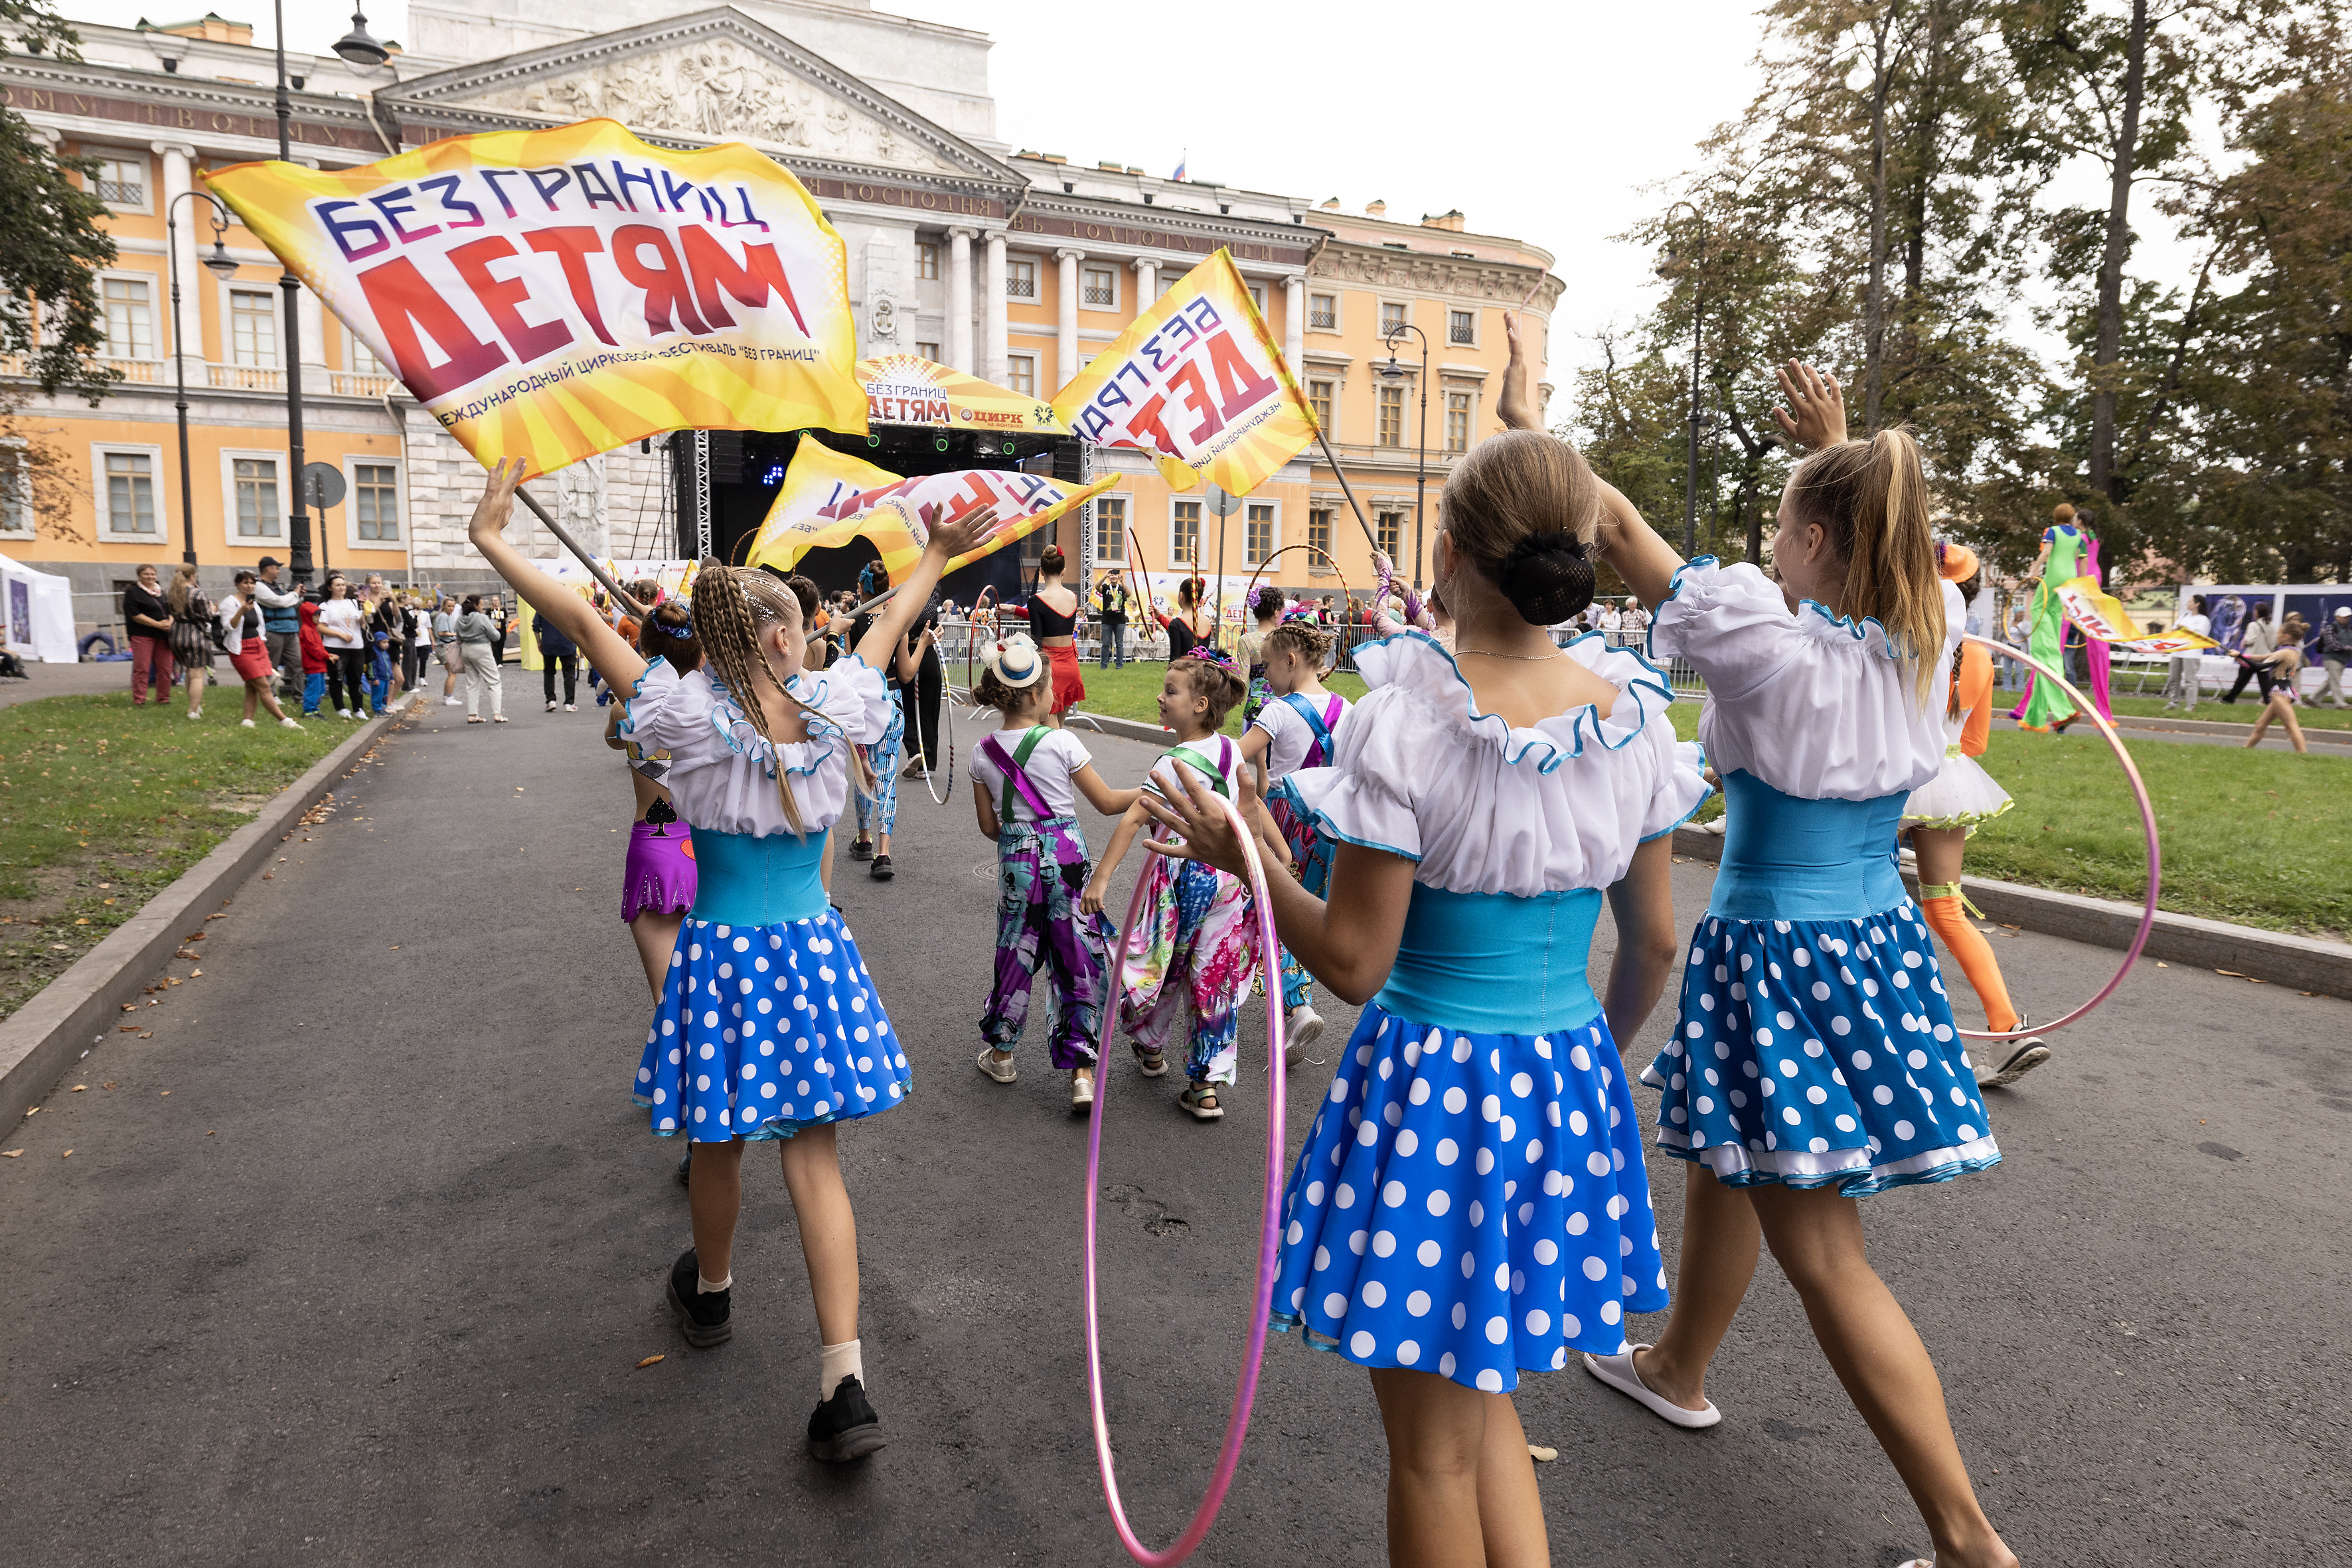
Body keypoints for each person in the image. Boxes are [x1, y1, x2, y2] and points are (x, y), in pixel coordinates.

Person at [1136, 427, 1697, 1565]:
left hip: (1435, 1088)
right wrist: (1587, 1053)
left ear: (1443, 553)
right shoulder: (1631, 709)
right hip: (1563, 1079)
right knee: (1482, 1401)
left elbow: (1351, 963)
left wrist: (1248, 853)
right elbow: (1653, 941)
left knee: (1432, 1450)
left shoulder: (1407, 720)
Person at [467, 458, 998, 1461]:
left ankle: (709, 1294)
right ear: (782, 635)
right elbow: (884, 637)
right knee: (815, 1156)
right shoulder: (836, 701)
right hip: (809, 951)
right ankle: (843, 1380)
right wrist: (932, 551)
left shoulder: (680, 716)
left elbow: (583, 625)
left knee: (718, 1140)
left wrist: (496, 541)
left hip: (718, 954)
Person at [1595, 362, 2018, 1568]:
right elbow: (1883, 552)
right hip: (1869, 942)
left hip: (1773, 949)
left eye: (1782, 526)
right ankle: (1676, 1362)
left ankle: (1967, 1541)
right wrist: (1836, 453)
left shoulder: (1771, 651)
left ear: (1817, 537)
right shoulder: (1915, 642)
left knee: (1823, 1249)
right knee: (1733, 1157)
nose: (1765, 546)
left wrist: (1532, 447)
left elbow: (1622, 530)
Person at [1083, 651, 1284, 1121]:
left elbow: (1135, 818)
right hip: (1230, 874)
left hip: (1184, 873)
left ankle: (1151, 1046)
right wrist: (1275, 853)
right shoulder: (1233, 749)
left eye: (1170, 691)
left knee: (1163, 962)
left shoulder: (1175, 760)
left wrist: (1103, 876)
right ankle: (1205, 1086)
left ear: (1198, 705)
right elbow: (1251, 807)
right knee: (1213, 973)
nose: (1159, 696)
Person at [968, 632, 1138, 1111]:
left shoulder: (983, 752)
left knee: (1015, 949)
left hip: (1016, 860)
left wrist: (1019, 832)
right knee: (1075, 952)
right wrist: (1151, 789)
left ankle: (1001, 1054)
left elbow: (987, 827)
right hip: (1066, 852)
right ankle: (1081, 1072)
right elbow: (1105, 803)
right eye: (1050, 692)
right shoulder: (1062, 740)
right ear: (1033, 696)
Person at [1902, 544, 2047, 1090]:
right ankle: (2007, 1026)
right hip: (1948, 783)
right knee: (1945, 909)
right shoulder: (1980, 653)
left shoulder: (1903, 639)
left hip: (1894, 782)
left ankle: (1892, 1032)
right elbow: (1977, 741)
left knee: (1865, 900)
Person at [1237, 611, 1349, 1061]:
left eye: (1266, 667)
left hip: (1286, 817)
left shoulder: (1278, 711)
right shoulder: (1348, 708)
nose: (1264, 676)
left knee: (1277, 908)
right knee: (1310, 909)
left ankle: (1295, 1005)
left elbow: (1234, 757)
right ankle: (1293, 1006)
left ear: (1289, 660)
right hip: (1330, 819)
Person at [2017, 503, 2085, 732]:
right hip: (2069, 579)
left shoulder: (2052, 531)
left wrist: (2033, 571)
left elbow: (2046, 553)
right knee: (2054, 615)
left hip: (2054, 577)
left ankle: (2064, 711)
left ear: (2056, 516)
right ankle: (2034, 719)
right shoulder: (2078, 534)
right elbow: (2079, 557)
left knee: (2038, 611)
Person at [220, 570, 302, 730]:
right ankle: (284, 720)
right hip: (241, 649)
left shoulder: (254, 603)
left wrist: (261, 643)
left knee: (252, 686)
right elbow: (229, 626)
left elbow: (260, 627)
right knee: (264, 686)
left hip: (258, 646)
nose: (249, 586)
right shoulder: (229, 603)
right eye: (245, 583)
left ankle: (247, 721)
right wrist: (241, 611)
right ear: (237, 584)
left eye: (252, 583)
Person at [1026, 545, 1086, 725]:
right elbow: (1056, 619)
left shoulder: (1036, 601)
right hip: (1071, 667)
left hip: (1052, 668)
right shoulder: (1073, 597)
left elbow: (1038, 640)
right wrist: (1017, 610)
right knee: (1058, 728)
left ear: (1042, 572)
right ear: (1064, 571)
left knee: (1051, 734)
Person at [164, 563, 214, 721]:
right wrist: (212, 609)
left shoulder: (169, 593)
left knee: (188, 672)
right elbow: (207, 616)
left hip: (176, 634)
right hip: (194, 635)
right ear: (192, 575)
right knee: (197, 675)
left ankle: (195, 704)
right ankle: (193, 711)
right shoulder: (197, 593)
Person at [123, 564, 176, 706]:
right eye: (146, 574)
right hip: (142, 635)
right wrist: (157, 624)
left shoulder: (162, 593)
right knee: (142, 668)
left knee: (166, 669)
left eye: (153, 574)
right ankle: (139, 699)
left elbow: (171, 611)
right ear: (139, 576)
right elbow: (135, 615)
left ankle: (163, 699)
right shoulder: (133, 592)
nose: (150, 577)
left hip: (163, 636)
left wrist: (169, 622)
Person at [317, 577, 368, 720]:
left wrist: (366, 612)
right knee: (337, 677)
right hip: (336, 646)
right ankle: (340, 707)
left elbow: (361, 622)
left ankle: (358, 708)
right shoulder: (325, 605)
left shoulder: (352, 603)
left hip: (356, 646)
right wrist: (340, 634)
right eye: (338, 585)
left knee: (356, 678)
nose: (341, 588)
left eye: (343, 585)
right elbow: (321, 627)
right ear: (330, 588)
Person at [252, 556, 302, 696]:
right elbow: (278, 602)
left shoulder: (276, 586)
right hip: (273, 631)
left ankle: (299, 695)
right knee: (271, 666)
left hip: (290, 630)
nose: (279, 571)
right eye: (277, 568)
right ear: (268, 568)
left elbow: (286, 603)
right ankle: (271, 695)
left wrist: (297, 597)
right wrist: (295, 594)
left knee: (297, 664)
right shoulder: (259, 586)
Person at [455, 593, 507, 724]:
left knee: (472, 683)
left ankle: (472, 714)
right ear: (475, 605)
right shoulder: (482, 618)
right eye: (481, 605)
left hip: (466, 649)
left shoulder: (460, 619)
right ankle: (497, 714)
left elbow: (458, 637)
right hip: (481, 649)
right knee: (494, 681)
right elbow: (496, 636)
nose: (482, 607)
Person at [2162, 594, 2213, 712]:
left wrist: (2184, 629)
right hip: (2178, 651)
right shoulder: (2184, 616)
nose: (2188, 604)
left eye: (2190, 602)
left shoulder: (2203, 620)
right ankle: (2173, 702)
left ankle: (2191, 704)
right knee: (2174, 678)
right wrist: (2179, 629)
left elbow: (2200, 635)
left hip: (2191, 652)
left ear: (2197, 604)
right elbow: (2175, 629)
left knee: (2190, 679)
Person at [2222, 602, 2276, 704]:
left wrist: (2244, 640)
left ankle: (2228, 699)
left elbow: (2250, 640)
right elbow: (2275, 642)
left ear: (2258, 612)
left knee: (2241, 681)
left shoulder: (2253, 625)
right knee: (2265, 684)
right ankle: (2269, 701)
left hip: (2251, 657)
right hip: (2265, 658)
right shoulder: (2272, 626)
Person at [538, 604, 580, 712]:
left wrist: (539, 642)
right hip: (566, 644)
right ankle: (569, 703)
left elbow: (536, 626)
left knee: (549, 672)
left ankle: (550, 700)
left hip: (549, 644)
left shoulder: (543, 606)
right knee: (569, 674)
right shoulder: (569, 607)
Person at [296, 596, 329, 717]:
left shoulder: (313, 629)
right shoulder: (306, 630)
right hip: (313, 664)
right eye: (316, 615)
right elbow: (313, 649)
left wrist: (325, 655)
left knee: (320, 689)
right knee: (313, 689)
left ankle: (315, 709)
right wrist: (326, 655)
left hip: (319, 664)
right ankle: (309, 710)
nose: (318, 618)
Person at [2317, 605, 2352, 708]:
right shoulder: (2330, 628)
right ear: (2337, 617)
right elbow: (2332, 644)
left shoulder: (2350, 629)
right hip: (2331, 658)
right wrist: (2349, 648)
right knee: (2335, 681)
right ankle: (2341, 704)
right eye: (2344, 616)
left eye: (2348, 617)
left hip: (2343, 659)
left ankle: (2312, 699)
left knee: (2331, 681)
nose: (2347, 619)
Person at [1096, 571, 1131, 669]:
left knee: (1119, 643)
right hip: (1107, 620)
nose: (1114, 577)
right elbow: (1097, 587)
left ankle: (1119, 665)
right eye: (1112, 575)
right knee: (1106, 644)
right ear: (1109, 577)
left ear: (1118, 576)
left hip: (1120, 620)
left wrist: (1122, 581)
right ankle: (1103, 666)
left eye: (1115, 575)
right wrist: (1105, 576)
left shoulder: (1121, 588)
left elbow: (1128, 594)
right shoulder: (1106, 587)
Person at [433, 595, 463, 705]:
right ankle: (448, 697)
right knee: (452, 673)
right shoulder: (443, 616)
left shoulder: (448, 616)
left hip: (447, 645)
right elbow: (441, 633)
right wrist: (455, 634)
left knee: (452, 673)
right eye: (449, 606)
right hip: (444, 646)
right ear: (444, 606)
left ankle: (447, 696)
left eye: (453, 606)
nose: (451, 608)